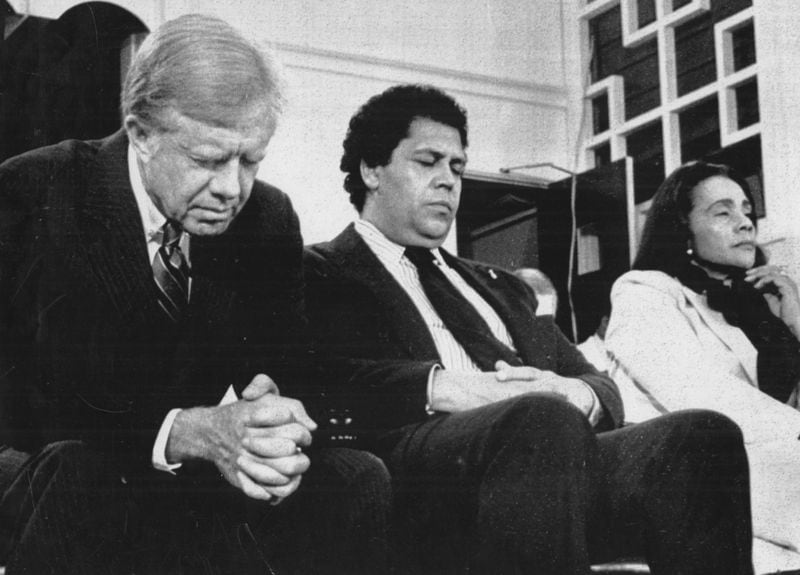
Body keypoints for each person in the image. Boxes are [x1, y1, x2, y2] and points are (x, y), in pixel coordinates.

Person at [304, 84, 755, 575]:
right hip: (419, 473)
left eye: (456, 167)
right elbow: (319, 379)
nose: (448, 181)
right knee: (538, 422)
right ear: (372, 170)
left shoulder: (501, 285)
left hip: (547, 453)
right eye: (427, 161)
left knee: (701, 436)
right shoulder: (320, 269)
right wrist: (448, 387)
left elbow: (595, 380)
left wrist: (573, 393)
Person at [0, 14, 390, 575]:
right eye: (207, 161)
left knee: (355, 477)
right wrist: (185, 432)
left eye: (250, 159)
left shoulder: (268, 219)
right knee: (82, 474)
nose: (232, 188)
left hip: (183, 480)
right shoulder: (33, 192)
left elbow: (297, 370)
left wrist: (273, 413)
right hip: (50, 461)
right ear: (140, 134)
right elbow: (25, 398)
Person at [605, 160, 800, 555]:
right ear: (683, 229)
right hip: (687, 473)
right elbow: (696, 390)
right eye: (723, 212)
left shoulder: (757, 306)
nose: (745, 222)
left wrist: (796, 324)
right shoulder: (643, 290)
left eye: (747, 210)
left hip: (767, 464)